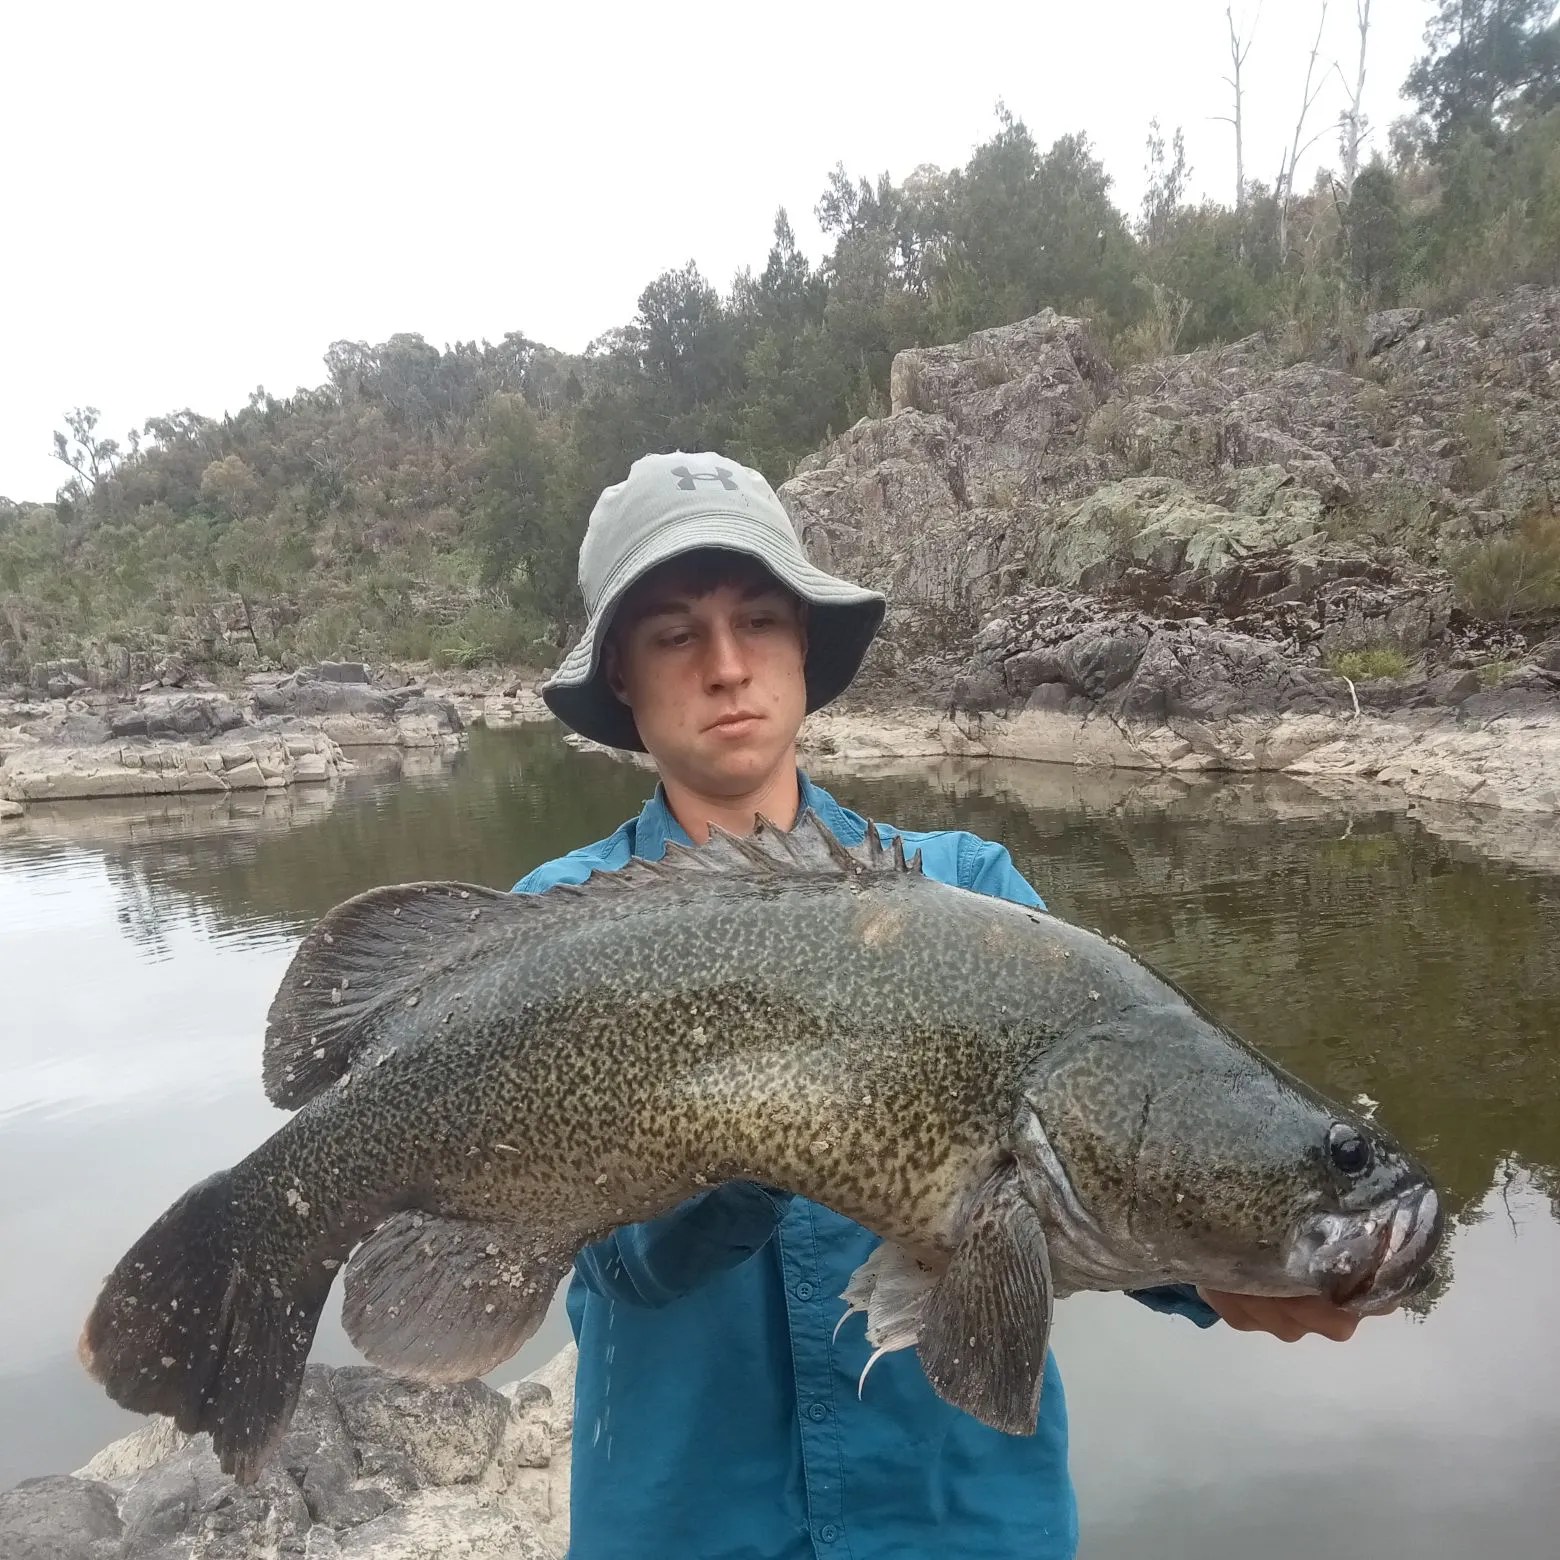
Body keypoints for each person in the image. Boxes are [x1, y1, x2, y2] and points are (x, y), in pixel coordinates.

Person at [512, 452, 1372, 1560]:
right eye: (676, 634)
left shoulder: (970, 891)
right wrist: (763, 1123)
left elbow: (1093, 1162)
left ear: (803, 646)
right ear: (623, 675)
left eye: (758, 620)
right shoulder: (559, 926)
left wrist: (1229, 1265)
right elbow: (620, 1264)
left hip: (958, 1524)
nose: (727, 666)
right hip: (684, 1523)